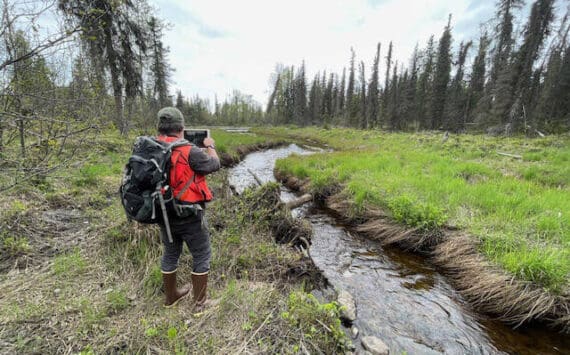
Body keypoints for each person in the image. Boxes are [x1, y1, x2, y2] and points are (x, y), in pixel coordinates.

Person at [155, 107, 220, 310]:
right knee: (201, 254)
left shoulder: (152, 147)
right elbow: (214, 164)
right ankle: (200, 303)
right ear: (182, 128)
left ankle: (171, 297)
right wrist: (210, 146)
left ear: (160, 128)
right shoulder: (190, 150)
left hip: (163, 213)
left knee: (171, 252)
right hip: (189, 214)